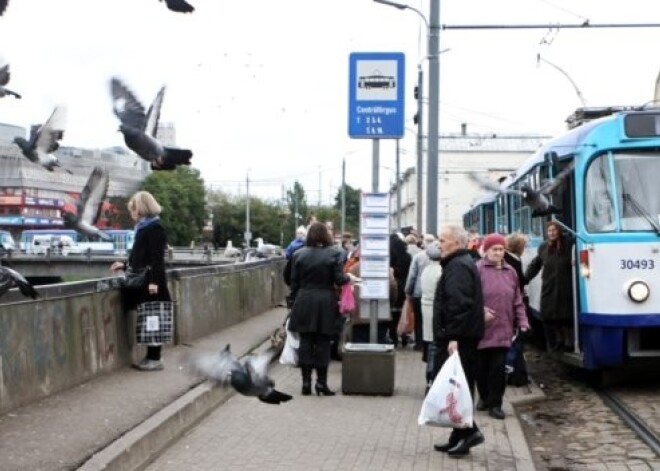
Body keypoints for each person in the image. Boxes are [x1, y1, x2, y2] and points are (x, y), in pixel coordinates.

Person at [432, 224, 485, 457]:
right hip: (460, 335)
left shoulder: (458, 267)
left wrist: (453, 335)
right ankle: (458, 433)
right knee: (454, 387)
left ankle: (470, 431)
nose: (438, 244)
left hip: (459, 337)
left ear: (455, 242)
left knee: (457, 388)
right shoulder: (459, 264)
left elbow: (458, 304)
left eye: (442, 240)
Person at [288, 221, 354, 396]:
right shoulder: (334, 254)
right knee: (323, 342)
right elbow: (339, 279)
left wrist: (293, 302)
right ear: (326, 235)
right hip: (325, 300)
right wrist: (348, 278)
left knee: (305, 341)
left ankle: (305, 382)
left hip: (304, 299)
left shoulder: (298, 254)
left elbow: (293, 282)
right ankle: (321, 383)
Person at [111, 191, 171, 372]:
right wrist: (124, 264)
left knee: (153, 318)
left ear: (142, 208)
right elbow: (139, 256)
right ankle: (151, 357)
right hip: (145, 280)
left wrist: (154, 282)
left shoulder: (155, 228)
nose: (132, 213)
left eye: (133, 209)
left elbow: (156, 259)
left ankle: (155, 358)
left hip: (151, 282)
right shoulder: (144, 227)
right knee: (149, 317)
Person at [474, 233, 529, 420]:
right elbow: (471, 297)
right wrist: (481, 311)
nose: (498, 253)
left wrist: (523, 321)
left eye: (501, 249)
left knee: (498, 369)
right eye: (494, 250)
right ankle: (483, 396)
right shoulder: (478, 269)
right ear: (487, 251)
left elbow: (517, 300)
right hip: (482, 329)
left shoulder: (510, 272)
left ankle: (495, 404)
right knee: (481, 368)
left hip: (503, 328)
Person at [524, 220, 575, 352]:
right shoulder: (543, 247)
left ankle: (568, 342)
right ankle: (558, 341)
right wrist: (525, 278)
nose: (552, 233)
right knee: (549, 316)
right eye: (549, 231)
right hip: (549, 284)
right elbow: (536, 264)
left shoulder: (569, 244)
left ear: (559, 231)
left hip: (565, 285)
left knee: (565, 316)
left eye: (554, 230)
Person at [347, 249, 397, 344]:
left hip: (359, 315)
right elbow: (393, 287)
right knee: (380, 343)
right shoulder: (385, 268)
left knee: (360, 345)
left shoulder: (353, 269)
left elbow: (346, 289)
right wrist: (390, 304)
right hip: (381, 312)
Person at [404, 233, 436, 351]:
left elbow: (412, 275)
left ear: (424, 242)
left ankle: (419, 343)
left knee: (419, 319)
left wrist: (408, 290)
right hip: (434, 292)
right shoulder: (441, 256)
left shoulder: (418, 257)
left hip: (418, 291)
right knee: (431, 318)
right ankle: (430, 343)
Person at [419, 241, 442, 392]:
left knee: (430, 346)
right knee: (435, 347)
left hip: (426, 309)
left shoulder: (427, 270)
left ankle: (429, 377)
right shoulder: (441, 271)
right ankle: (432, 379)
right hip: (435, 311)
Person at [389, 233, 412, 348]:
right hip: (404, 285)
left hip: (393, 285)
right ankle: (403, 336)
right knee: (403, 313)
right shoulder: (407, 256)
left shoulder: (389, 257)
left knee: (392, 314)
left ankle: (393, 338)